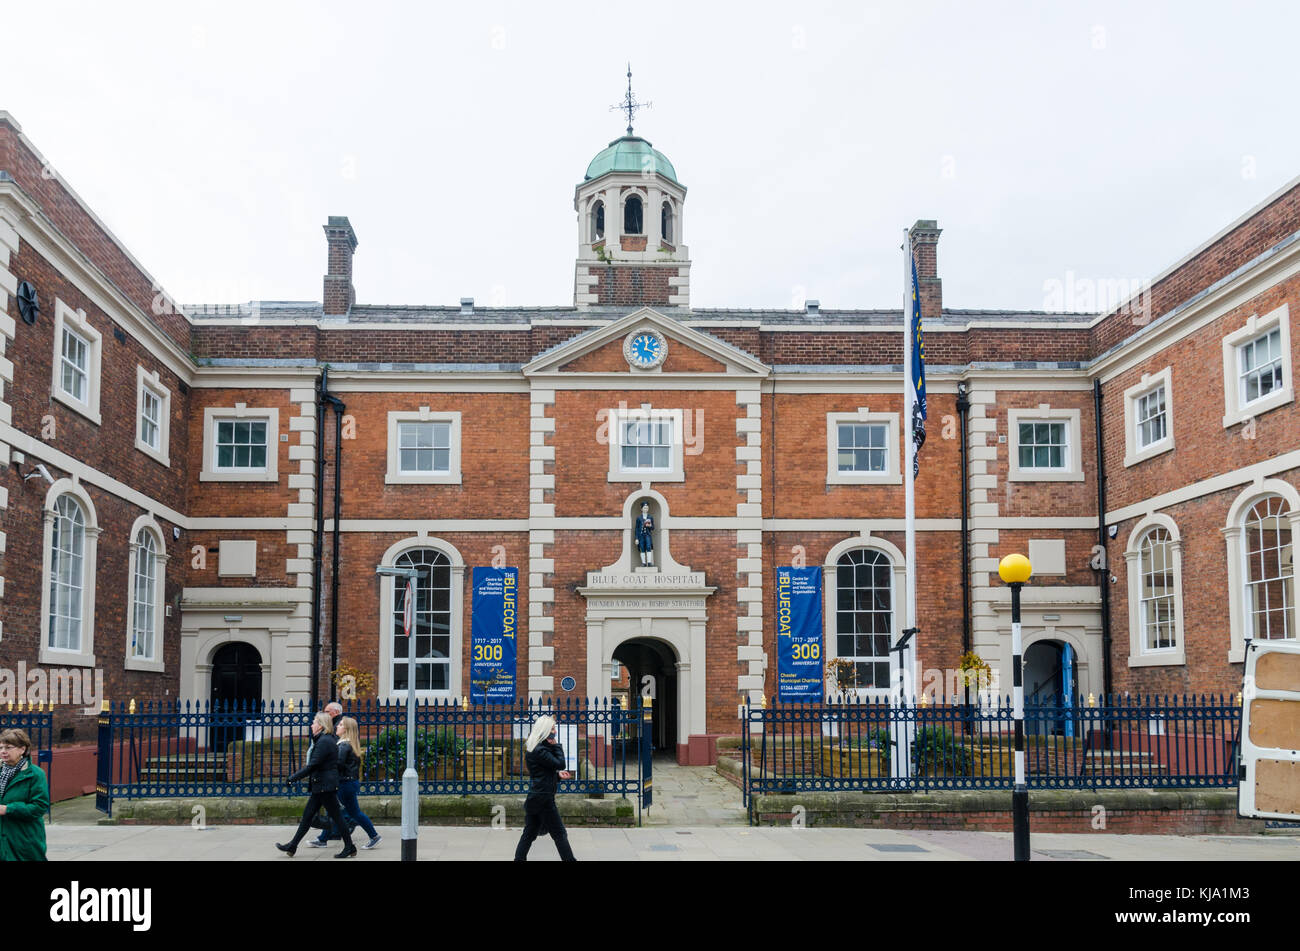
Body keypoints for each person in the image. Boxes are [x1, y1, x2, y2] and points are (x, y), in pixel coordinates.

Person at [277, 712, 356, 858]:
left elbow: (312, 765)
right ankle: (293, 845)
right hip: (321, 785)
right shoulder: (324, 739)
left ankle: (350, 846)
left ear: (320, 725)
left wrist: (292, 778)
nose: (311, 725)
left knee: (337, 817)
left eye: (314, 722)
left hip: (325, 786)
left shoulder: (324, 741)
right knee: (308, 816)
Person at [310, 716, 381, 850]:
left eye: (341, 725)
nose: (337, 726)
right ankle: (323, 839)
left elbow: (337, 765)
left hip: (345, 784)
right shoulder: (347, 744)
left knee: (347, 812)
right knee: (341, 812)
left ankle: (374, 836)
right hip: (348, 783)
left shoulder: (343, 746)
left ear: (346, 729)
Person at [513, 715, 576, 862]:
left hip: (537, 797)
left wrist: (558, 776)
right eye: (552, 728)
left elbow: (544, 773)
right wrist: (556, 745)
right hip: (544, 799)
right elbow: (560, 763)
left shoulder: (536, 748)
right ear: (545, 730)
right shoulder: (540, 750)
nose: (555, 731)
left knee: (529, 833)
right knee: (560, 833)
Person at [0, 729, 48, 862]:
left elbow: (39, 807)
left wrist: (8, 809)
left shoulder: (35, 774)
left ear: (22, 749)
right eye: (1, 747)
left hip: (24, 839)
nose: (3, 751)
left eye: (8, 747)